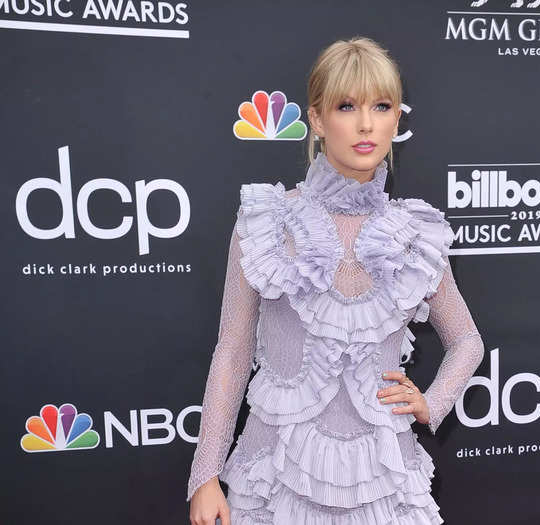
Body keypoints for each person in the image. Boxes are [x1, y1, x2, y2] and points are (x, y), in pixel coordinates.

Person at [187, 36, 485, 525]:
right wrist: (204, 475)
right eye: (347, 106)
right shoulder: (267, 222)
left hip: (385, 484)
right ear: (318, 119)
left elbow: (467, 340)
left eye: (382, 106)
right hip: (274, 478)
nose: (366, 123)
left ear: (396, 119)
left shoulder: (413, 233)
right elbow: (233, 350)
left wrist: (432, 401)